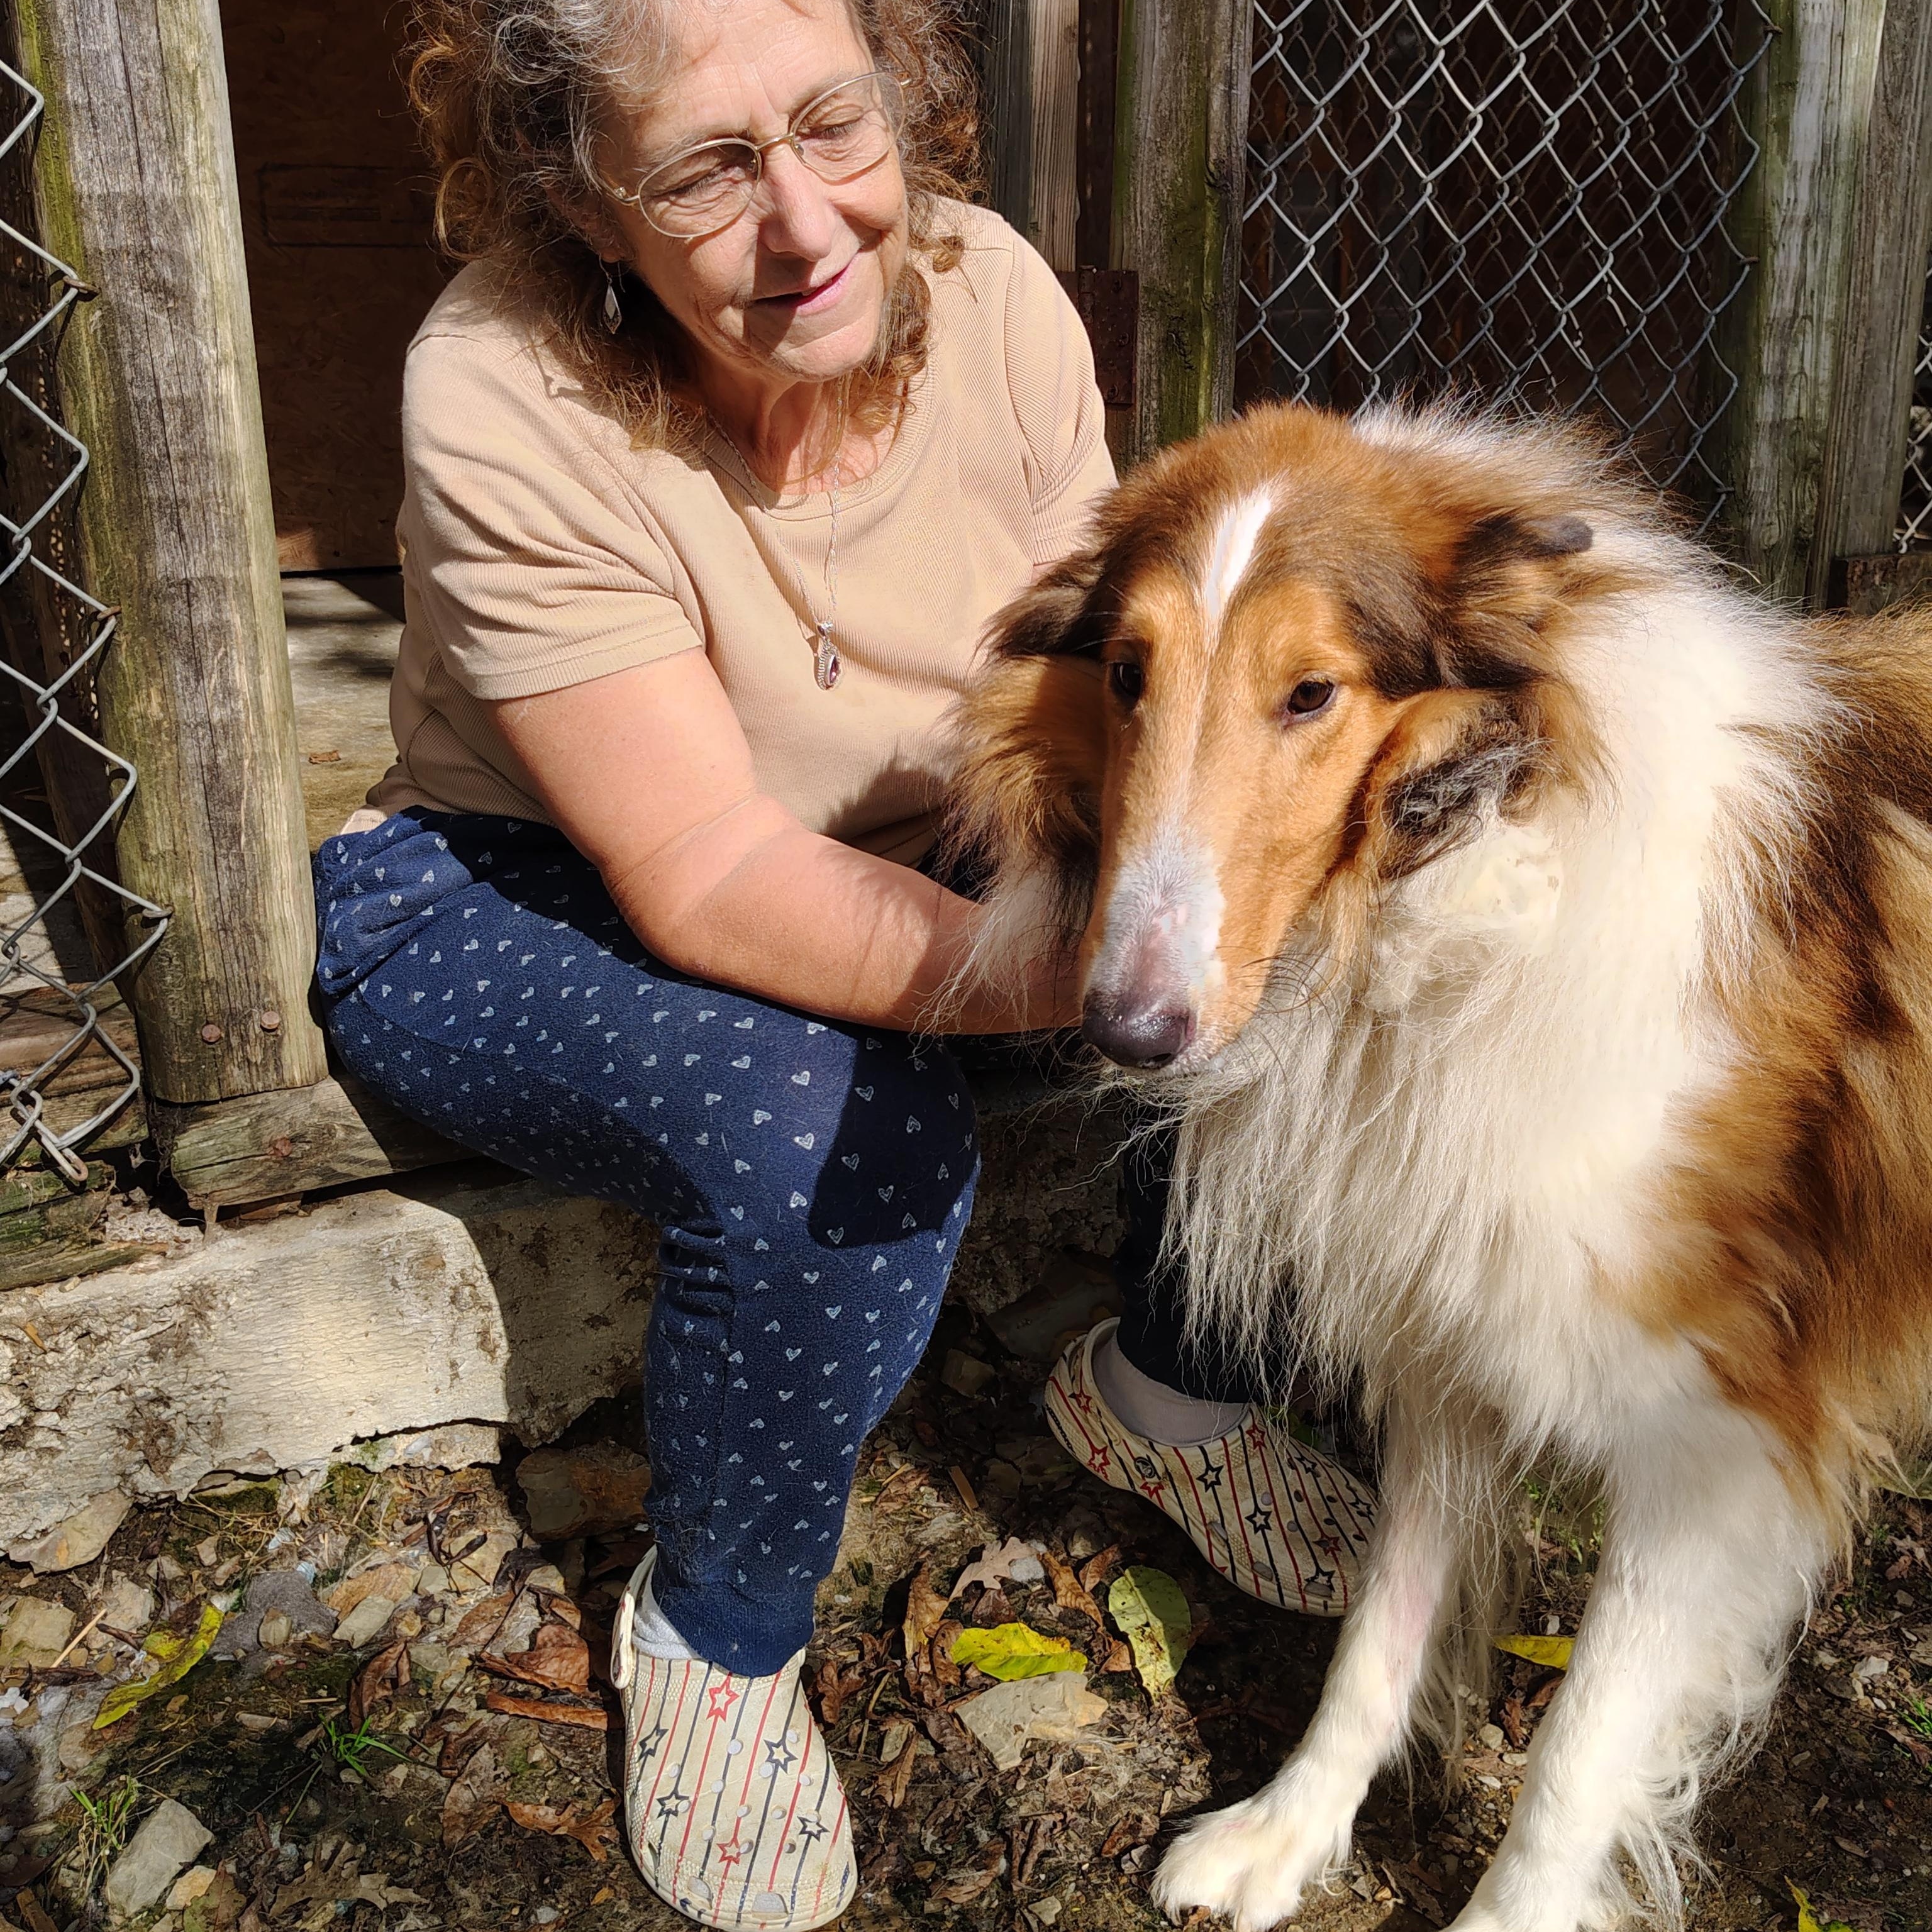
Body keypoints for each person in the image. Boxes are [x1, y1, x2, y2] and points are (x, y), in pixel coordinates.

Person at [310, 1, 1374, 1925]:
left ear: (909, 106)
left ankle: (1175, 1394)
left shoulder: (996, 295)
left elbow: (1096, 700)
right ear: (585, 204)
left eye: (831, 127)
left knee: (1286, 924)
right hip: (510, 881)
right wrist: (1093, 981)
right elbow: (712, 874)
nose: (804, 225)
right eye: (710, 174)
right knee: (831, 1120)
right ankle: (717, 1636)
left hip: (920, 829)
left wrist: (1189, 914)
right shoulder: (501, 379)